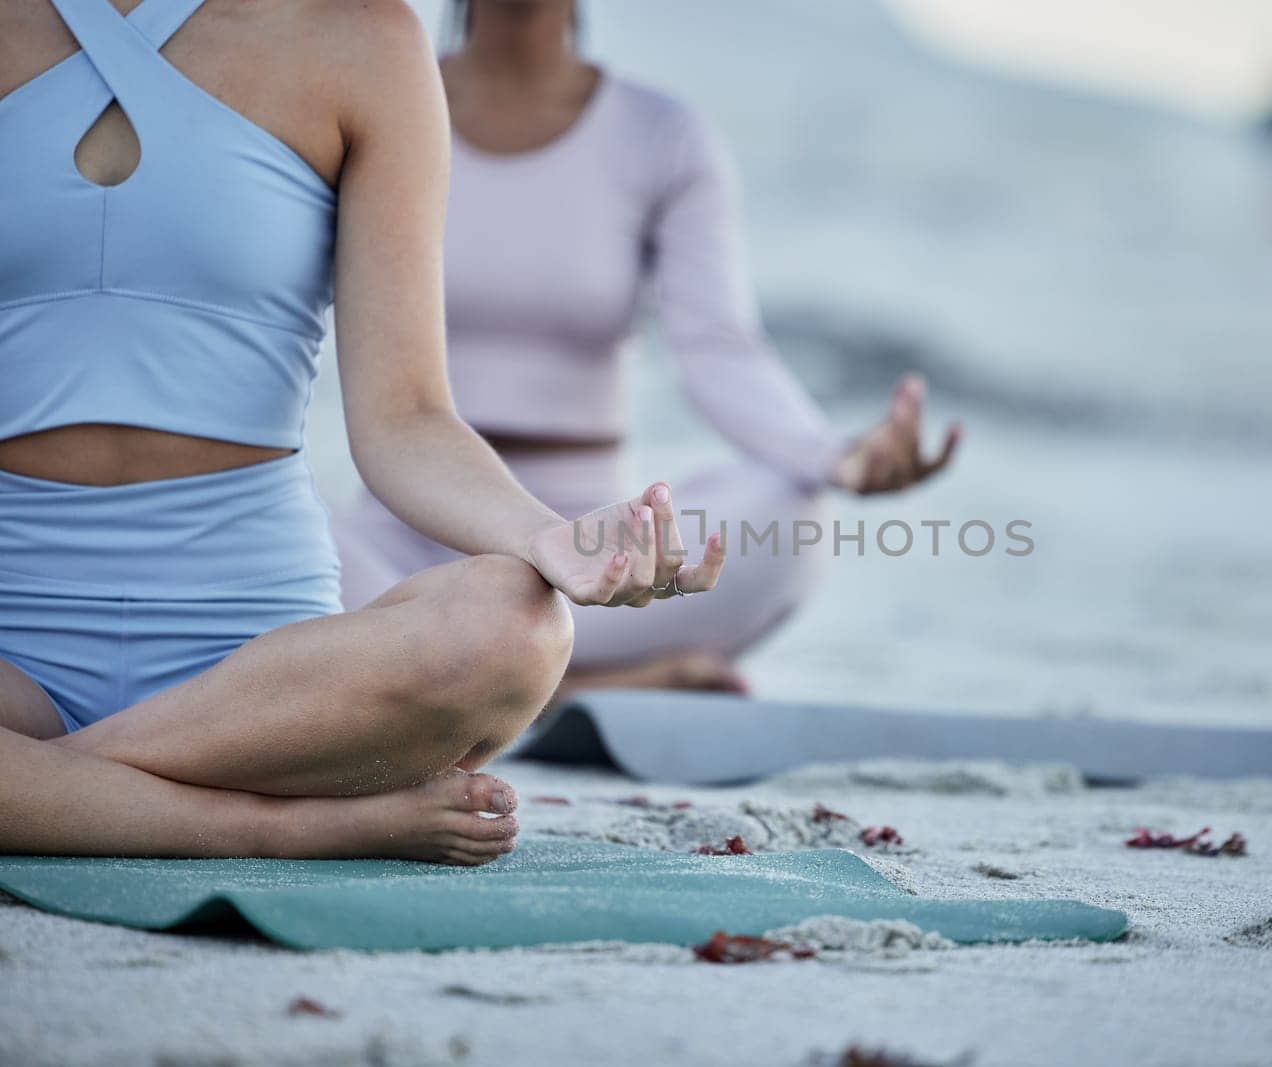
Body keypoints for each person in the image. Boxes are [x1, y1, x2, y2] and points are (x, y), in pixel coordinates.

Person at [0, 0, 722, 864]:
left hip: (261, 676)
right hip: (14, 644)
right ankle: (273, 827)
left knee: (517, 625)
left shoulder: (364, 39)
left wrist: (550, 540)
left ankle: (49, 794)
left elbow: (407, 420)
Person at [334, 0, 961, 697]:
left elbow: (717, 346)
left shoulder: (661, 136)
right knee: (267, 530)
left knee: (796, 516)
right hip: (403, 551)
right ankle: (572, 689)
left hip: (602, 563)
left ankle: (497, 680)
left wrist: (831, 454)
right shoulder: (374, 107)